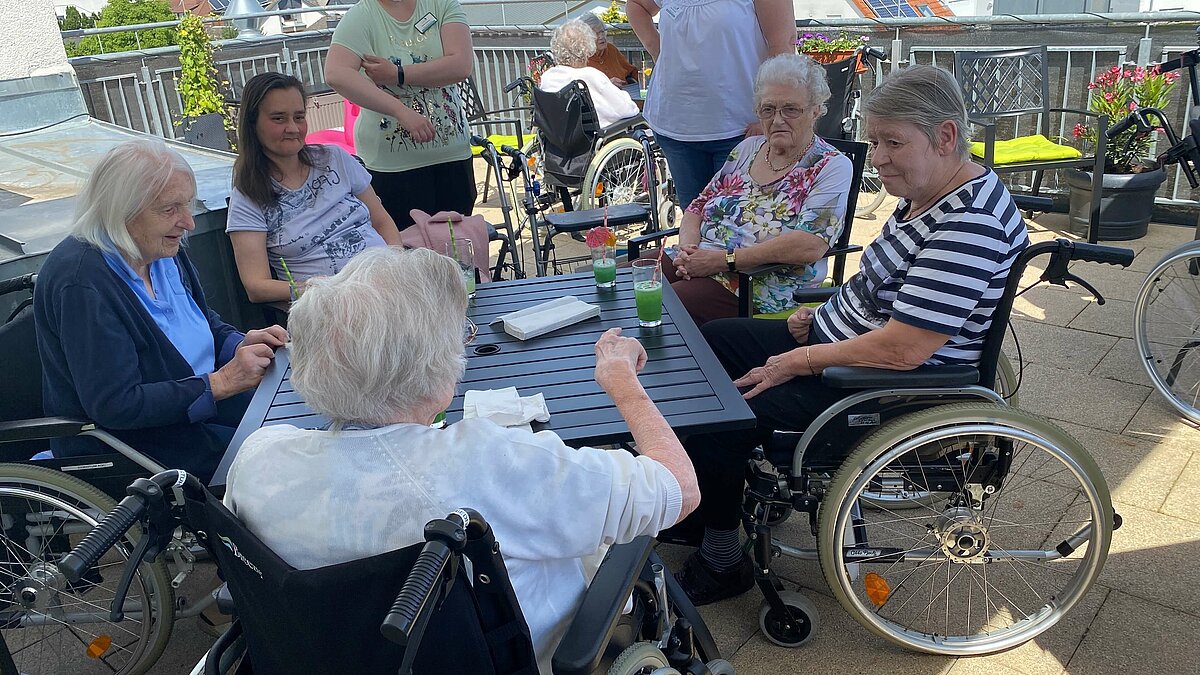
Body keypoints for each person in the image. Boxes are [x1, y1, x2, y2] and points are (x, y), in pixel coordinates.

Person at [223, 246, 699, 673]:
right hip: (512, 653)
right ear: (435, 370)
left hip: (338, 654)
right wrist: (622, 382)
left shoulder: (258, 460)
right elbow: (679, 488)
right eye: (460, 336)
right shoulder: (489, 463)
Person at [672, 65, 1031, 606]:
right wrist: (816, 319)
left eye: (893, 142)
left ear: (947, 136)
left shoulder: (968, 224)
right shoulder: (930, 197)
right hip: (844, 346)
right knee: (715, 342)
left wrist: (802, 358)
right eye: (874, 141)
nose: (879, 157)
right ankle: (711, 503)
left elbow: (904, 347)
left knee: (728, 398)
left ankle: (721, 549)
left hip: (880, 380)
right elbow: (872, 284)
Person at [34, 140, 288, 482]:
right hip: (135, 444)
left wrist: (239, 345)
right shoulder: (82, 283)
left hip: (195, 412)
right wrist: (221, 382)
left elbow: (201, 322)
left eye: (187, 206)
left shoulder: (160, 248)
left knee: (301, 426)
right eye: (170, 209)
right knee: (280, 463)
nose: (188, 223)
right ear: (121, 212)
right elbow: (116, 405)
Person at [666, 53, 852, 326]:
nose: (777, 120)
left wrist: (721, 261)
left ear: (816, 110)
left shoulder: (831, 166)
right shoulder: (747, 149)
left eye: (791, 109)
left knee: (662, 306)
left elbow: (809, 244)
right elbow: (697, 207)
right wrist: (688, 251)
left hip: (761, 283)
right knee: (624, 280)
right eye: (768, 110)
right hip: (703, 263)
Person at [227, 72, 403, 304]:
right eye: (278, 119)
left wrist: (398, 264)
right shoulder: (249, 195)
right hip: (330, 303)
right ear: (253, 124)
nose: (292, 128)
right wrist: (328, 288)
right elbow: (256, 286)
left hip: (387, 281)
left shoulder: (334, 158)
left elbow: (381, 221)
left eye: (299, 117)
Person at [627, 0, 797, 208]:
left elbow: (783, 44)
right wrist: (658, 51)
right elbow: (637, 5)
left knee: (742, 227)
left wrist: (771, 117)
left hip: (742, 131)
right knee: (694, 225)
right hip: (676, 128)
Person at [323, 0, 475, 230]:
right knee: (403, 254)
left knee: (456, 252)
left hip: (452, 157)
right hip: (391, 167)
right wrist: (400, 112)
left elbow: (461, 65)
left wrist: (398, 74)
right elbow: (336, 73)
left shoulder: (442, 4)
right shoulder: (361, 16)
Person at [538, 19, 639, 129]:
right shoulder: (591, 75)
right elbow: (628, 109)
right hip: (593, 139)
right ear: (586, 49)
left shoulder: (548, 76)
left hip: (559, 138)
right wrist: (625, 95)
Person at [580, 13, 638, 86]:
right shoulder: (580, 57)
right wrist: (607, 85)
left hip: (624, 93)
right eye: (596, 34)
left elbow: (632, 72)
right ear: (585, 37)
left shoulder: (611, 49)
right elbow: (582, 87)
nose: (601, 37)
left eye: (602, 32)